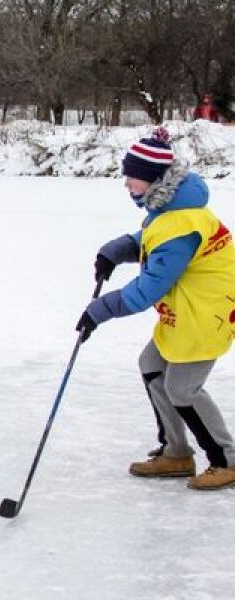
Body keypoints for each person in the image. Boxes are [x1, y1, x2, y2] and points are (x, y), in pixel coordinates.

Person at [77, 127, 235, 490]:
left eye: (130, 176)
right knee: (152, 366)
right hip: (186, 312)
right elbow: (151, 239)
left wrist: (99, 310)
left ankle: (227, 460)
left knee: (183, 389)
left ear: (151, 179)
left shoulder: (181, 223)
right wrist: (116, 250)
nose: (126, 183)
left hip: (205, 317)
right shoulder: (170, 208)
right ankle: (176, 452)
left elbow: (149, 287)